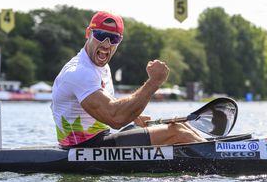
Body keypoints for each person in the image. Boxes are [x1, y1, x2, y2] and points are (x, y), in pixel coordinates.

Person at [51, 11, 206, 148]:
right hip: (83, 148)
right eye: (100, 35)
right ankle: (221, 158)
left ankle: (214, 149)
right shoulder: (79, 72)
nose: (106, 44)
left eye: (113, 38)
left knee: (181, 126)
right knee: (177, 132)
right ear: (88, 33)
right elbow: (116, 118)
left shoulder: (101, 67)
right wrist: (154, 82)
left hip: (101, 139)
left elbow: (107, 105)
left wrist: (135, 116)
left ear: (119, 41)